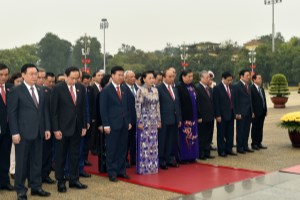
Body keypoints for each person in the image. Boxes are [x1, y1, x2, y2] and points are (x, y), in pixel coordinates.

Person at [8, 63, 51, 199]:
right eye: (31, 74)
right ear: (23, 75)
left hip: (38, 132)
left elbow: (44, 112)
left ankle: (36, 187)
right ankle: (20, 190)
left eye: (36, 74)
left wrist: (47, 128)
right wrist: (14, 132)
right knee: (21, 163)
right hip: (22, 134)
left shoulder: (40, 90)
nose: (35, 76)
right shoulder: (16, 91)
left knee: (37, 161)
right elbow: (12, 113)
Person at [51, 67, 88, 193]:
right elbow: (54, 111)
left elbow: (82, 108)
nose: (74, 80)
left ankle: (74, 180)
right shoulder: (57, 89)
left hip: (77, 128)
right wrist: (55, 129)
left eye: (76, 78)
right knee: (60, 156)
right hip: (62, 129)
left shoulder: (81, 88)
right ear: (65, 76)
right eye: (72, 78)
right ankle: (60, 182)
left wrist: (83, 126)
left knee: (75, 155)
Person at [100, 66, 131, 182]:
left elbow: (127, 107)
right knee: (112, 149)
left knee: (123, 149)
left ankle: (121, 171)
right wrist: (106, 125)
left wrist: (128, 122)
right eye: (119, 75)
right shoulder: (106, 90)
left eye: (122, 75)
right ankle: (112, 172)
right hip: (112, 125)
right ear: (112, 75)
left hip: (123, 124)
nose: (121, 77)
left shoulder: (124, 89)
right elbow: (103, 109)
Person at [135, 70, 161, 174]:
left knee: (153, 144)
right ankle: (143, 167)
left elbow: (158, 106)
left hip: (154, 120)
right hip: (144, 120)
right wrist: (139, 121)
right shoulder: (140, 91)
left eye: (152, 78)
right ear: (144, 79)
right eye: (149, 78)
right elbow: (137, 107)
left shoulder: (155, 90)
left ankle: (153, 167)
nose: (151, 80)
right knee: (144, 144)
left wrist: (159, 120)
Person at [157, 69, 181, 169]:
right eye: (169, 76)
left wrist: (179, 118)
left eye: (173, 76)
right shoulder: (159, 88)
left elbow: (177, 104)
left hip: (174, 119)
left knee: (171, 140)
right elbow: (157, 105)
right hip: (164, 119)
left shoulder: (174, 89)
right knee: (163, 140)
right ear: (164, 77)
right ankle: (162, 160)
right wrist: (159, 120)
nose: (172, 78)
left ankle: (169, 158)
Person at [176, 69, 199, 162]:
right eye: (189, 76)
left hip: (194, 116)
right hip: (185, 117)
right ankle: (185, 157)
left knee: (194, 136)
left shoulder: (193, 86)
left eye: (192, 76)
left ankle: (193, 156)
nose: (191, 78)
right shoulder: (179, 87)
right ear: (183, 77)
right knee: (185, 138)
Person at [213, 72, 237, 157]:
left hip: (231, 114)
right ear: (223, 78)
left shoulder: (231, 87)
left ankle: (229, 149)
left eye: (231, 80)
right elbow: (216, 103)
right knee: (221, 134)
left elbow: (233, 101)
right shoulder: (217, 88)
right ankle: (221, 150)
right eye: (228, 80)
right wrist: (217, 115)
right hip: (222, 115)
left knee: (230, 133)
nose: (229, 82)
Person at [0, 63, 14, 191]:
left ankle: (5, 182)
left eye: (6, 74)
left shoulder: (11, 88)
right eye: (1, 75)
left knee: (5, 156)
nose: (4, 77)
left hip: (8, 129)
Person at [195, 71, 215, 160]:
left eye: (209, 78)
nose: (209, 79)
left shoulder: (210, 89)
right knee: (202, 136)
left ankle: (207, 152)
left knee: (209, 136)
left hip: (210, 116)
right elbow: (197, 104)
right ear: (201, 78)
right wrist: (199, 116)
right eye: (207, 77)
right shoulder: (197, 88)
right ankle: (201, 153)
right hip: (202, 117)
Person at [234, 69, 254, 154]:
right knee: (240, 131)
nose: (249, 77)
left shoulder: (249, 86)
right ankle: (240, 147)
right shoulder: (237, 86)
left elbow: (250, 100)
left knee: (246, 130)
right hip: (241, 113)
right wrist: (237, 113)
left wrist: (252, 111)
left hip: (248, 112)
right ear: (241, 76)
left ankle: (245, 146)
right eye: (247, 75)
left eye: (249, 75)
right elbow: (235, 101)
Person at [8, 71, 23, 180]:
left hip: (19, 124)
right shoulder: (10, 91)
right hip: (8, 124)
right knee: (12, 149)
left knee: (15, 148)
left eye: (21, 81)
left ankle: (15, 169)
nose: (20, 83)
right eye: (18, 81)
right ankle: (12, 169)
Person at [124, 70, 137, 167]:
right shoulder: (123, 89)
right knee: (126, 142)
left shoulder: (137, 88)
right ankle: (124, 159)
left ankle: (134, 159)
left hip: (137, 120)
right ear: (126, 78)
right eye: (131, 77)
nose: (133, 78)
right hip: (128, 120)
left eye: (134, 76)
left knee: (134, 141)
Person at [250, 74, 268, 150]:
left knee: (260, 127)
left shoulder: (261, 89)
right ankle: (254, 143)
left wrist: (266, 109)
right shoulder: (251, 89)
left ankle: (259, 142)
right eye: (259, 78)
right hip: (255, 113)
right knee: (255, 128)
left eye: (261, 78)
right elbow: (251, 101)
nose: (261, 80)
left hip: (262, 112)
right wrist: (252, 112)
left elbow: (264, 100)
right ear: (254, 80)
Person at [90, 70, 105, 156]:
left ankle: (99, 148)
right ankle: (93, 149)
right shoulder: (92, 88)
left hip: (101, 114)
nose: (100, 77)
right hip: (94, 114)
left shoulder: (103, 88)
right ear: (94, 78)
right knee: (94, 134)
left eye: (101, 75)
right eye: (98, 75)